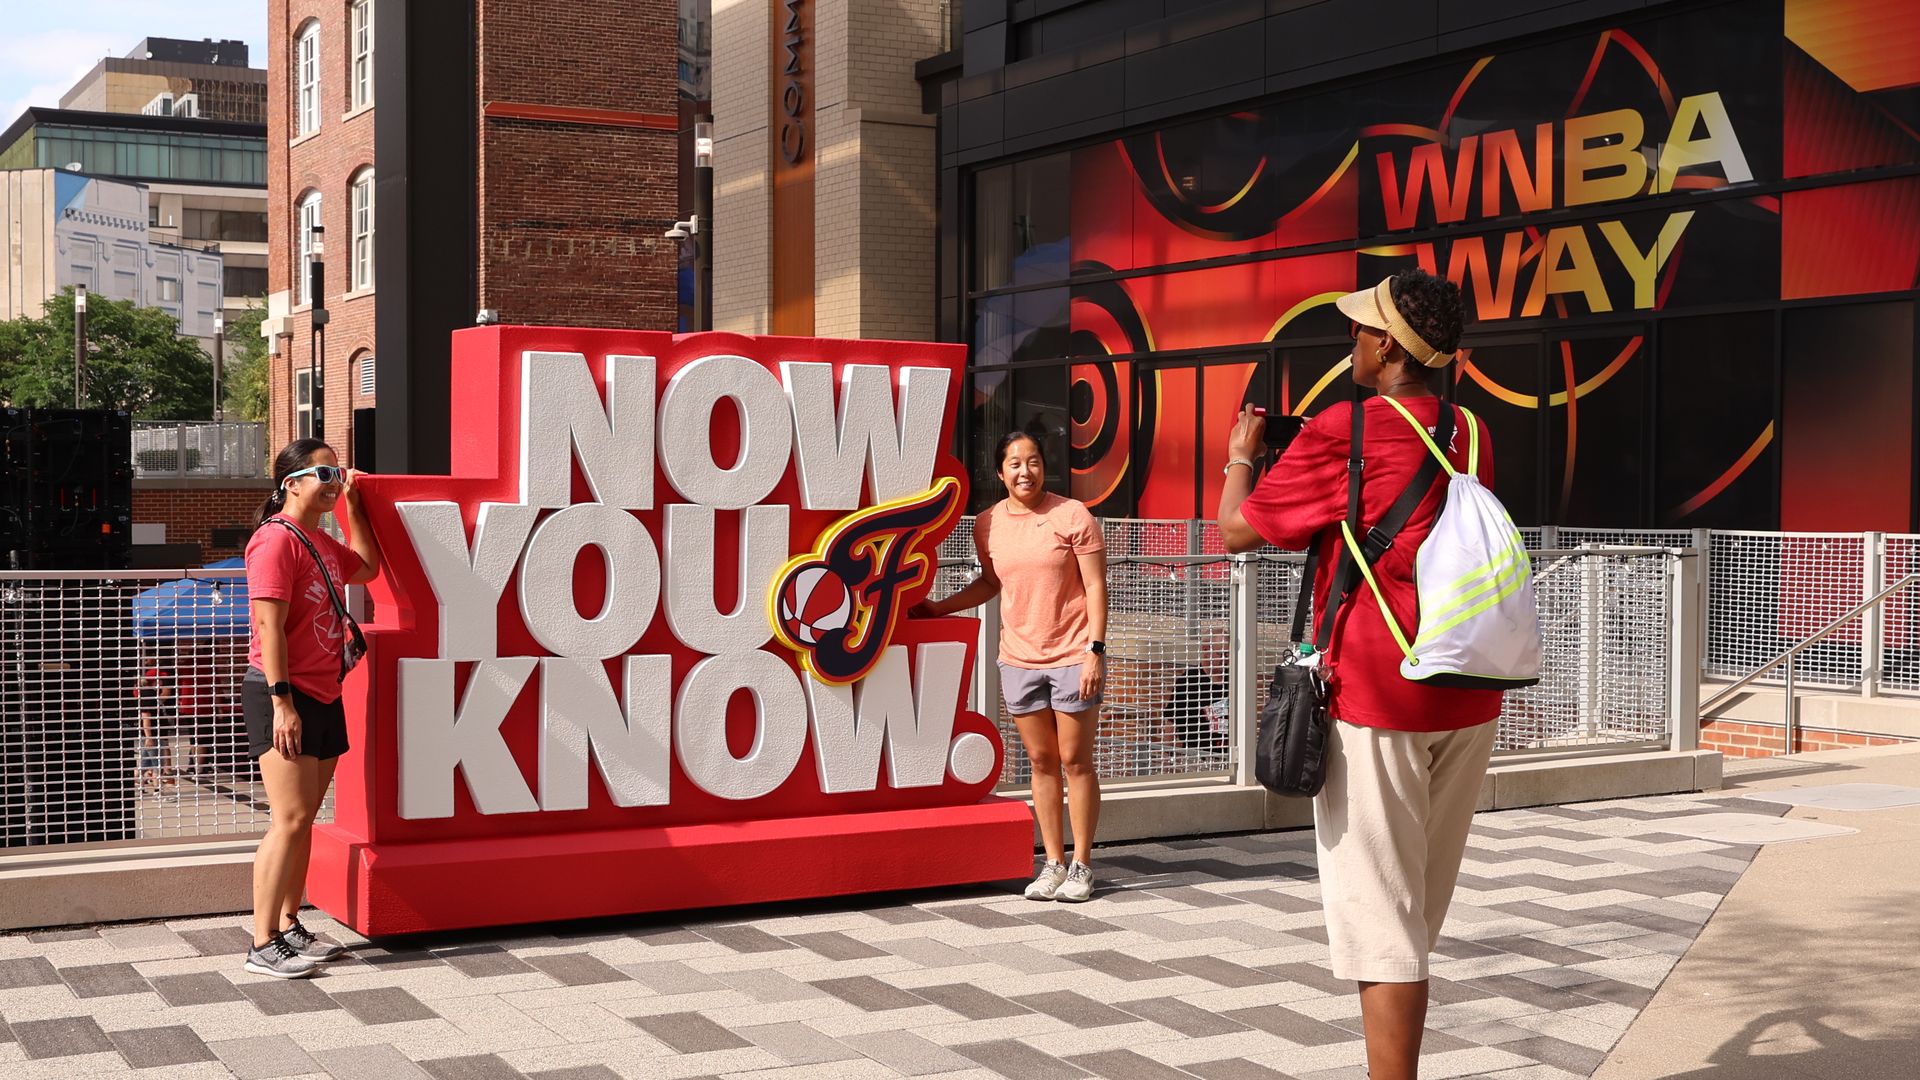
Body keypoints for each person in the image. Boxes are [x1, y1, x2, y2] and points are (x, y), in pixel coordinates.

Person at [1216, 269, 1501, 1080]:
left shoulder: (1345, 429)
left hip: (1378, 694)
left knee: (1384, 923)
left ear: (1384, 346)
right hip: (1467, 688)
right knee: (1415, 912)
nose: (1351, 342)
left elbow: (1237, 530)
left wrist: (1244, 458)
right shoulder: (1472, 430)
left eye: (1358, 331)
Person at [914, 432, 1109, 902]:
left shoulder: (1072, 516)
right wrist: (941, 609)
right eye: (1016, 464)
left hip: (1071, 656)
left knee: (1075, 761)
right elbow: (990, 581)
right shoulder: (987, 523)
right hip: (1018, 659)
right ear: (1000, 473)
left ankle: (1082, 864)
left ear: (1045, 467)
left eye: (1035, 461)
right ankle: (1053, 864)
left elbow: (1097, 586)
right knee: (1040, 763)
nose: (1026, 471)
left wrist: (1095, 650)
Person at [241, 439, 381, 978]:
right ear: (290, 483)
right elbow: (267, 628)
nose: (333, 478)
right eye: (323, 471)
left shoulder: (321, 542)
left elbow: (366, 568)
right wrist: (282, 703)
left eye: (337, 470)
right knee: (290, 818)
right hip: (284, 694)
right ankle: (262, 942)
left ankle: (290, 924)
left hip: (325, 691)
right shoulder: (275, 541)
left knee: (306, 823)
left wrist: (355, 506)